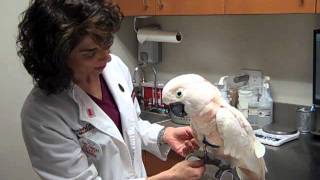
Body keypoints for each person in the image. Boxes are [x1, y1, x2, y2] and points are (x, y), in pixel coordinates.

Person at [17, 0, 205, 179]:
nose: (106, 58)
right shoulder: (42, 114)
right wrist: (170, 177)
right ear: (57, 55)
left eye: (107, 45)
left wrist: (163, 135)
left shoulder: (114, 68)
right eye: (90, 53)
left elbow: (129, 126)